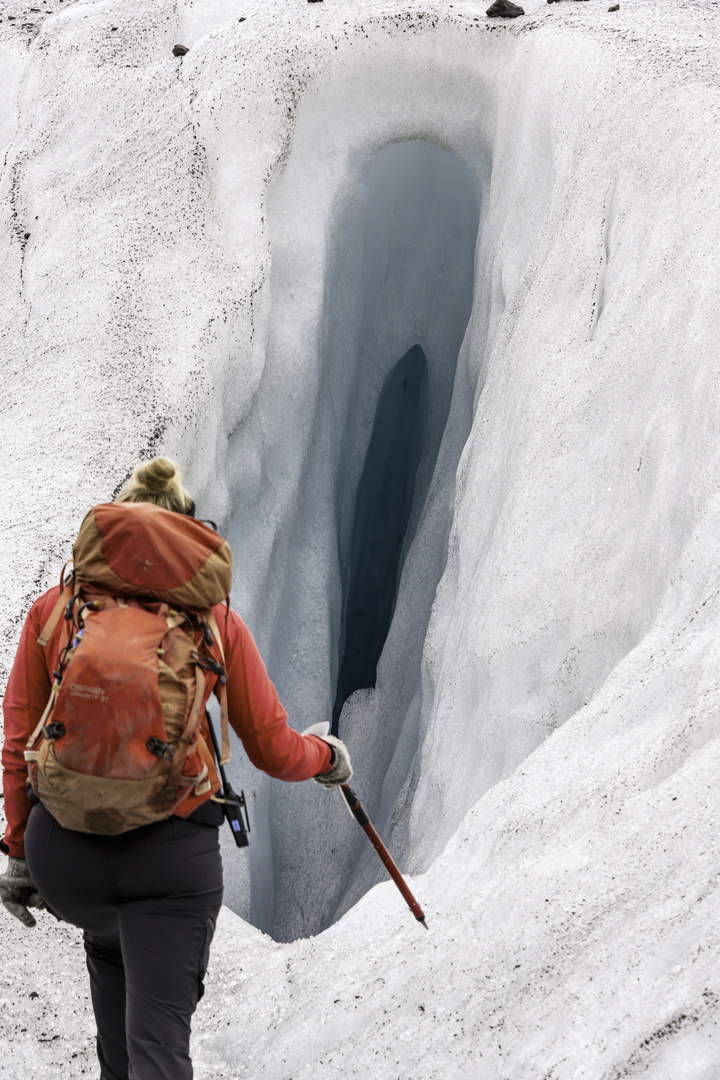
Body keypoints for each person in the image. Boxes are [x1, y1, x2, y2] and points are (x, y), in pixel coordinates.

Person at [0, 457, 352, 1080]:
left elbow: (18, 740)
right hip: (166, 867)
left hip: (67, 863)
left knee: (111, 957)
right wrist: (325, 759)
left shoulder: (57, 609)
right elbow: (272, 748)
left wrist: (21, 851)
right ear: (186, 533)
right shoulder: (214, 622)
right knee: (159, 1052)